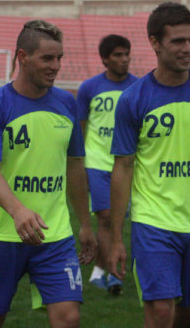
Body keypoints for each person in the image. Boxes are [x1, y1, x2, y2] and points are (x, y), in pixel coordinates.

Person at [0, 20, 97, 328]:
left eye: (59, 57)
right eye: (47, 58)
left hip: (55, 234)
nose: (56, 66)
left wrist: (85, 223)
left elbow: (75, 165)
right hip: (1, 233)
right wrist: (18, 211)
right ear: (23, 57)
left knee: (69, 318)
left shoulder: (66, 104)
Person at [108, 2, 190, 328]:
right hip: (153, 222)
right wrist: (117, 237)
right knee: (161, 311)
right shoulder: (133, 100)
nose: (188, 48)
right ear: (155, 42)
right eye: (178, 41)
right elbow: (122, 167)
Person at [76, 34, 138, 295]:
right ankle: (115, 275)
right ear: (105, 59)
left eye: (126, 54)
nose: (124, 60)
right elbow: (79, 128)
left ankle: (102, 270)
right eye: (117, 55)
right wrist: (80, 167)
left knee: (119, 220)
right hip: (97, 162)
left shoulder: (139, 87)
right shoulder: (89, 88)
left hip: (127, 164)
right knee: (104, 218)